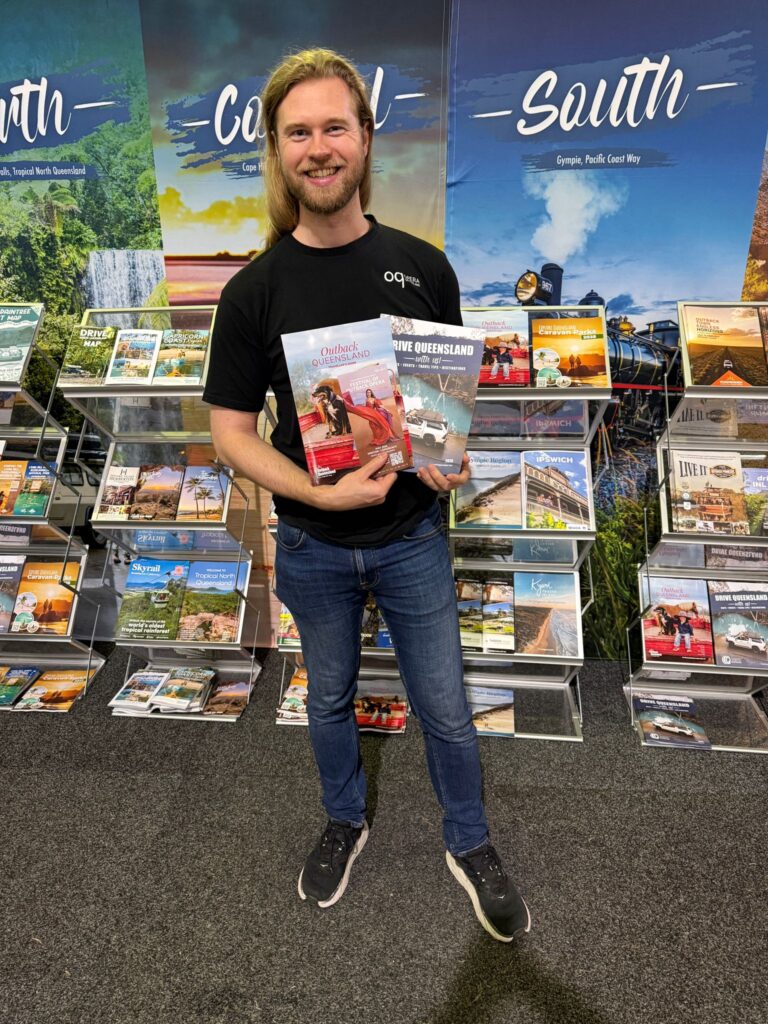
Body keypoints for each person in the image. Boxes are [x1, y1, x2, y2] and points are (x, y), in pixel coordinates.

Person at [203, 47, 529, 943]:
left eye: (333, 127)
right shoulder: (252, 291)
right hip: (311, 544)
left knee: (447, 708)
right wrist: (320, 493)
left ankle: (469, 842)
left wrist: (443, 458)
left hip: (413, 533)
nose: (318, 148)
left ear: (365, 138)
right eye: (298, 132)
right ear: (278, 149)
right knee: (329, 696)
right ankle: (346, 817)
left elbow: (436, 415)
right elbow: (230, 434)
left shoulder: (423, 267)